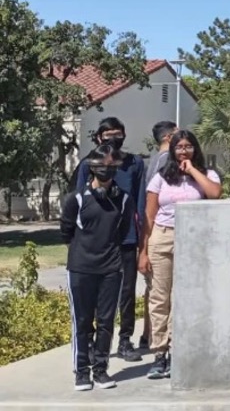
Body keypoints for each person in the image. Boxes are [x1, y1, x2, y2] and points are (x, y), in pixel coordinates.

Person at [139, 130, 221, 379]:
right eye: (179, 147)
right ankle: (159, 353)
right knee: (159, 298)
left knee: (182, 298)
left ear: (195, 149)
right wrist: (143, 251)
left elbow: (215, 194)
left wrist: (193, 171)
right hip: (162, 237)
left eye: (188, 147)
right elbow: (149, 217)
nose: (183, 151)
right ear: (172, 150)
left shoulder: (207, 174)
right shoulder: (161, 178)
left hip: (192, 240)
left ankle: (177, 351)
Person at [61, 144, 134, 391]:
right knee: (82, 322)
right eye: (101, 166)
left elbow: (123, 232)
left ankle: (101, 370)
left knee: (105, 322)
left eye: (112, 167)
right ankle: (81, 372)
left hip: (111, 269)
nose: (106, 171)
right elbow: (67, 231)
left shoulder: (123, 199)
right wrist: (83, 254)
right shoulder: (77, 199)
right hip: (81, 269)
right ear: (92, 169)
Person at [75, 117, 145, 363]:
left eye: (118, 133)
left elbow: (140, 202)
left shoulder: (135, 163)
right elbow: (79, 202)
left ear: (124, 134)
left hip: (126, 239)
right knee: (95, 295)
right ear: (99, 138)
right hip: (96, 242)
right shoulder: (88, 164)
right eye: (108, 135)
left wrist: (141, 240)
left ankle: (125, 340)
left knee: (126, 292)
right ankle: (94, 344)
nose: (114, 139)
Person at [138, 120, 177, 350]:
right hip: (159, 228)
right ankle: (154, 337)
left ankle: (147, 334)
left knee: (153, 288)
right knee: (160, 291)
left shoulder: (153, 159)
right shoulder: (165, 161)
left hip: (152, 228)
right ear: (167, 138)